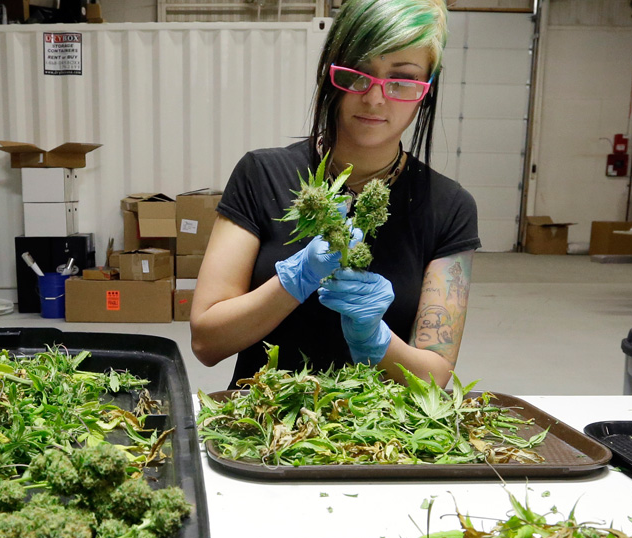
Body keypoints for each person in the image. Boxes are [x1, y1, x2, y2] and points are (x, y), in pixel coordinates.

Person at [188, 0, 478, 388]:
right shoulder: (262, 175)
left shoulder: (449, 207)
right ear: (331, 74)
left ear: (426, 90)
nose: (375, 98)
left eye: (402, 80)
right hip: (264, 425)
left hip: (379, 438)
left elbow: (435, 378)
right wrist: (293, 281)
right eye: (358, 74)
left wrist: (375, 339)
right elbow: (206, 342)